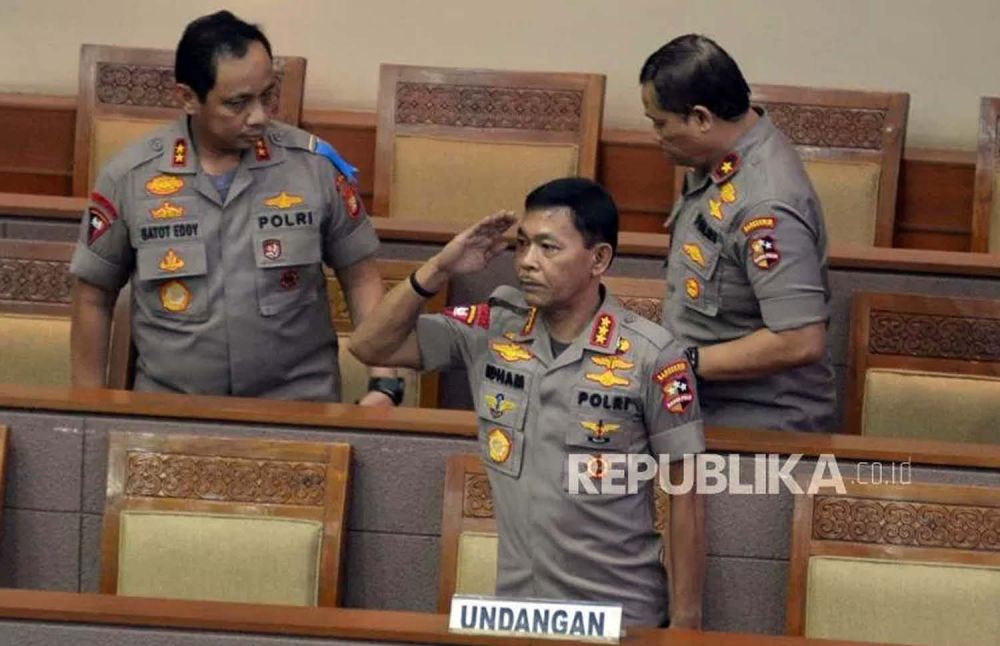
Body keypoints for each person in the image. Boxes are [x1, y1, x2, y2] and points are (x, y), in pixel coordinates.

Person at [350, 178, 706, 628]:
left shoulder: (653, 355)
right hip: (520, 612)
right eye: (521, 246)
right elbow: (369, 346)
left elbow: (686, 495)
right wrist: (439, 267)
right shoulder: (493, 330)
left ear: (598, 259)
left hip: (621, 616)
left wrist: (686, 625)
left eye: (548, 248)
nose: (527, 263)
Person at [70, 10, 402, 405]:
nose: (259, 116)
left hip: (300, 410)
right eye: (238, 103)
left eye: (267, 95)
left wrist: (385, 384)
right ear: (187, 98)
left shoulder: (313, 167)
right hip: (169, 413)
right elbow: (93, 295)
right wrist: (88, 407)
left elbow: (361, 277)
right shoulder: (130, 177)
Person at [639, 34, 836, 432]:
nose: (654, 136)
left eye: (660, 123)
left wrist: (684, 363)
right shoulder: (720, 160)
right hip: (705, 404)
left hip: (758, 424)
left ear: (701, 118)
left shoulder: (766, 203)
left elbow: (800, 339)